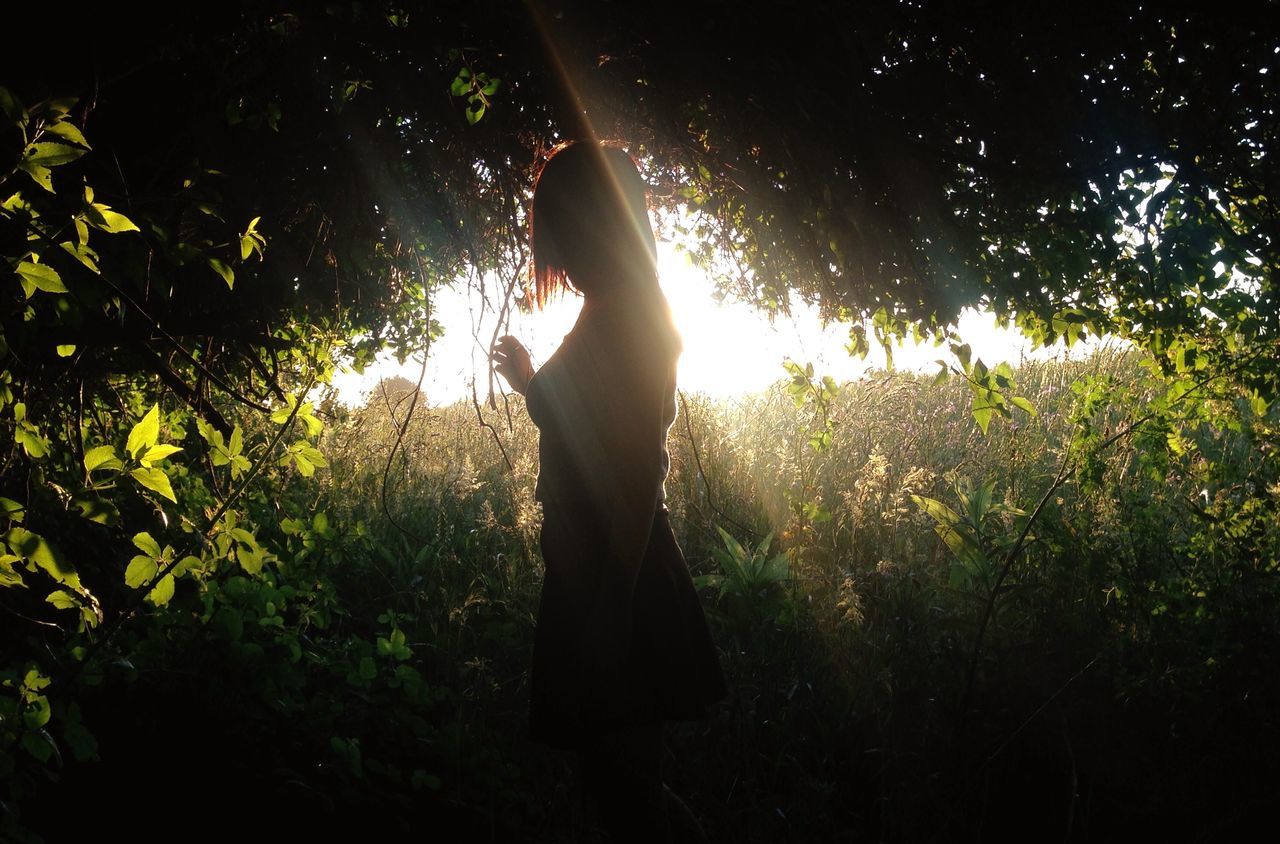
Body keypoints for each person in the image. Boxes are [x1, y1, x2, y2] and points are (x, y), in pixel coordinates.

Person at [491, 141, 726, 842]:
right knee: (616, 788)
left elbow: (637, 474)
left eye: (559, 225)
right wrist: (534, 383)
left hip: (614, 582)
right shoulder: (613, 310)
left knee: (630, 796)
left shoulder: (630, 317)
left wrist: (611, 609)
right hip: (590, 579)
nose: (552, 248)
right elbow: (592, 429)